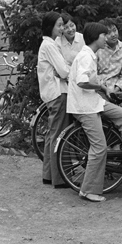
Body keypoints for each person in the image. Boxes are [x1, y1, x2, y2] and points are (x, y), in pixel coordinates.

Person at [67, 22, 122, 202]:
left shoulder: (90, 54)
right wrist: (101, 86)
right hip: (84, 107)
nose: (106, 37)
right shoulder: (86, 56)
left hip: (94, 102)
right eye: (103, 35)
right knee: (99, 148)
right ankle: (88, 190)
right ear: (96, 37)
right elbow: (82, 81)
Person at [36, 11, 71, 189]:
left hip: (52, 94)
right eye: (59, 25)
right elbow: (64, 72)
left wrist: (62, 70)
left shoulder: (48, 44)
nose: (62, 28)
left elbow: (61, 70)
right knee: (59, 135)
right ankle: (60, 178)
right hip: (58, 93)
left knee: (52, 134)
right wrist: (65, 70)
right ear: (50, 27)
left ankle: (48, 175)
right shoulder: (49, 45)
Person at [96, 19, 122, 94]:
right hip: (101, 88)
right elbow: (94, 75)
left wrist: (116, 90)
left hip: (120, 88)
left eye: (114, 30)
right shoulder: (98, 49)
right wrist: (106, 89)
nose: (113, 34)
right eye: (108, 33)